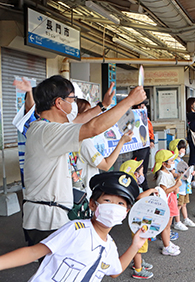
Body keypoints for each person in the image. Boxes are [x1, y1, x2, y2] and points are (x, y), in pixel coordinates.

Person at [22, 75, 145, 246]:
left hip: (54, 216)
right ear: (59, 103)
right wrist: (129, 101)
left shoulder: (47, 127)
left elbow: (80, 120)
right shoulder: (47, 131)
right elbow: (92, 127)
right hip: (48, 220)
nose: (74, 104)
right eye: (72, 99)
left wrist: (103, 106)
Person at [0, 171, 147, 281]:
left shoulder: (110, 246)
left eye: (120, 204)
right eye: (107, 200)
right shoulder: (76, 229)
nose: (114, 207)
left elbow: (115, 271)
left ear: (125, 212)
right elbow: (34, 252)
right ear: (92, 204)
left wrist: (135, 246)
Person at [71, 99, 134, 198]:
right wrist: (122, 142)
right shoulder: (84, 142)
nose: (94, 117)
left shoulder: (71, 136)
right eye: (89, 112)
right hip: (85, 195)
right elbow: (106, 165)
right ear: (79, 116)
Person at [119, 160, 158, 279]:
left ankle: (138, 261)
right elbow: (140, 197)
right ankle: (138, 269)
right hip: (138, 221)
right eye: (141, 172)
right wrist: (151, 190)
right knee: (138, 244)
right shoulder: (133, 187)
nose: (142, 174)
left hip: (141, 219)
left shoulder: (135, 185)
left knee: (141, 242)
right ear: (134, 174)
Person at [152, 149, 182, 256]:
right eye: (171, 161)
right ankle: (166, 247)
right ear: (164, 164)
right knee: (166, 225)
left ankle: (168, 242)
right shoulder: (162, 175)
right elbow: (163, 191)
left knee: (169, 224)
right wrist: (175, 186)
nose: (173, 162)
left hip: (172, 199)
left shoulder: (168, 172)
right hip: (167, 202)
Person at [169, 139, 195, 231]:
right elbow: (173, 173)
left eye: (184, 148)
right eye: (181, 149)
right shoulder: (173, 161)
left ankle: (185, 219)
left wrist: (190, 173)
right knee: (178, 205)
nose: (184, 151)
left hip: (185, 186)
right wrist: (180, 174)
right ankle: (177, 222)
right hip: (179, 187)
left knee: (184, 204)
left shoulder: (180, 160)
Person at [132, 100, 155, 191]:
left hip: (146, 144)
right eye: (143, 105)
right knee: (138, 166)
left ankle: (144, 185)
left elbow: (150, 129)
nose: (144, 107)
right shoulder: (133, 116)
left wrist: (151, 140)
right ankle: (137, 185)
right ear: (138, 106)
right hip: (138, 145)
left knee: (144, 166)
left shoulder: (145, 116)